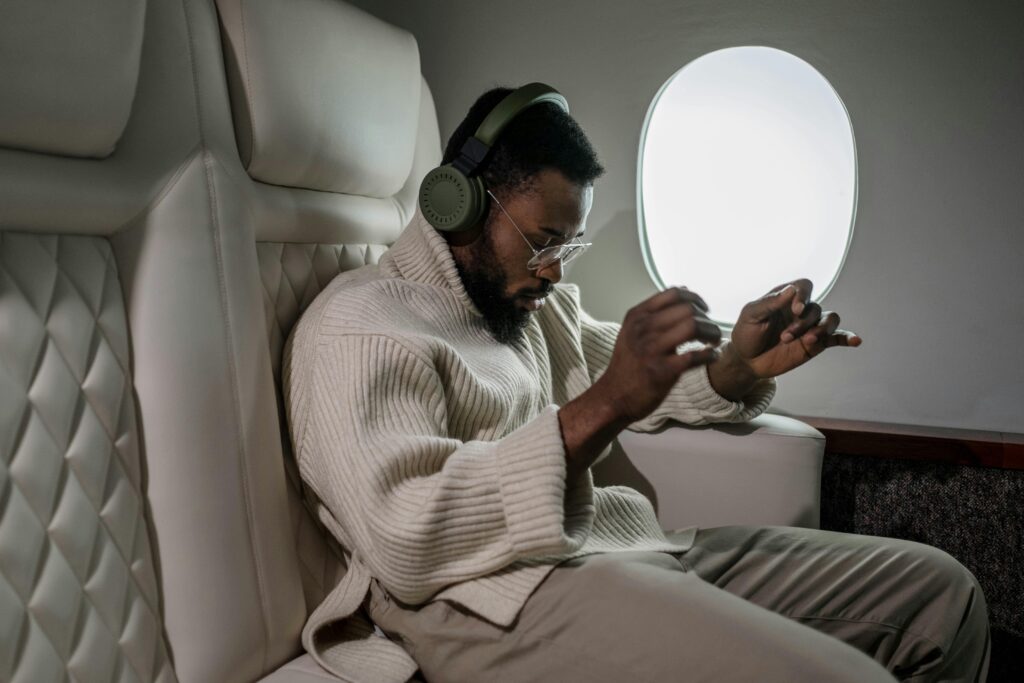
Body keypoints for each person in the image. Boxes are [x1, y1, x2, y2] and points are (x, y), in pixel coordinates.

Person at [283, 84, 990, 683]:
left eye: (569, 244)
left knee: (943, 595)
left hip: (616, 546)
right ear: (459, 203)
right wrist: (606, 402)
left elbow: (619, 377)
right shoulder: (362, 326)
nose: (556, 269)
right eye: (542, 240)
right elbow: (407, 539)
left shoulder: (529, 302)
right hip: (483, 597)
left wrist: (736, 367)